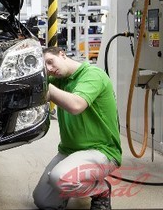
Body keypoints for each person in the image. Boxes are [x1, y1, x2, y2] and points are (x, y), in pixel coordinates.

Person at [33, 47, 122, 210]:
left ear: (62, 54)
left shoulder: (93, 75)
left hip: (101, 151)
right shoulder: (59, 78)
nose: (50, 69)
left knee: (61, 178)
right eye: (46, 68)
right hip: (69, 151)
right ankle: (74, 182)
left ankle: (100, 190)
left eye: (50, 62)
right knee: (42, 201)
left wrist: (46, 86)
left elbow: (76, 105)